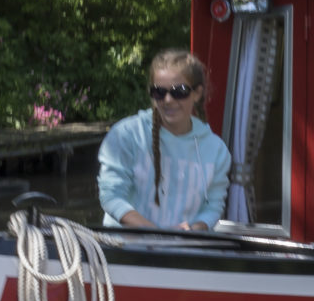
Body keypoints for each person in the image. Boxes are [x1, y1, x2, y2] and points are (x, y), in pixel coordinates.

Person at [97, 49, 231, 231]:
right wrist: (157, 234)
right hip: (126, 251)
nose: (168, 100)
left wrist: (195, 230)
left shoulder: (217, 150)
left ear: (197, 93)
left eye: (179, 91)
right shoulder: (125, 135)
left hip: (183, 251)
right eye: (159, 92)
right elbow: (111, 197)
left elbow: (213, 206)